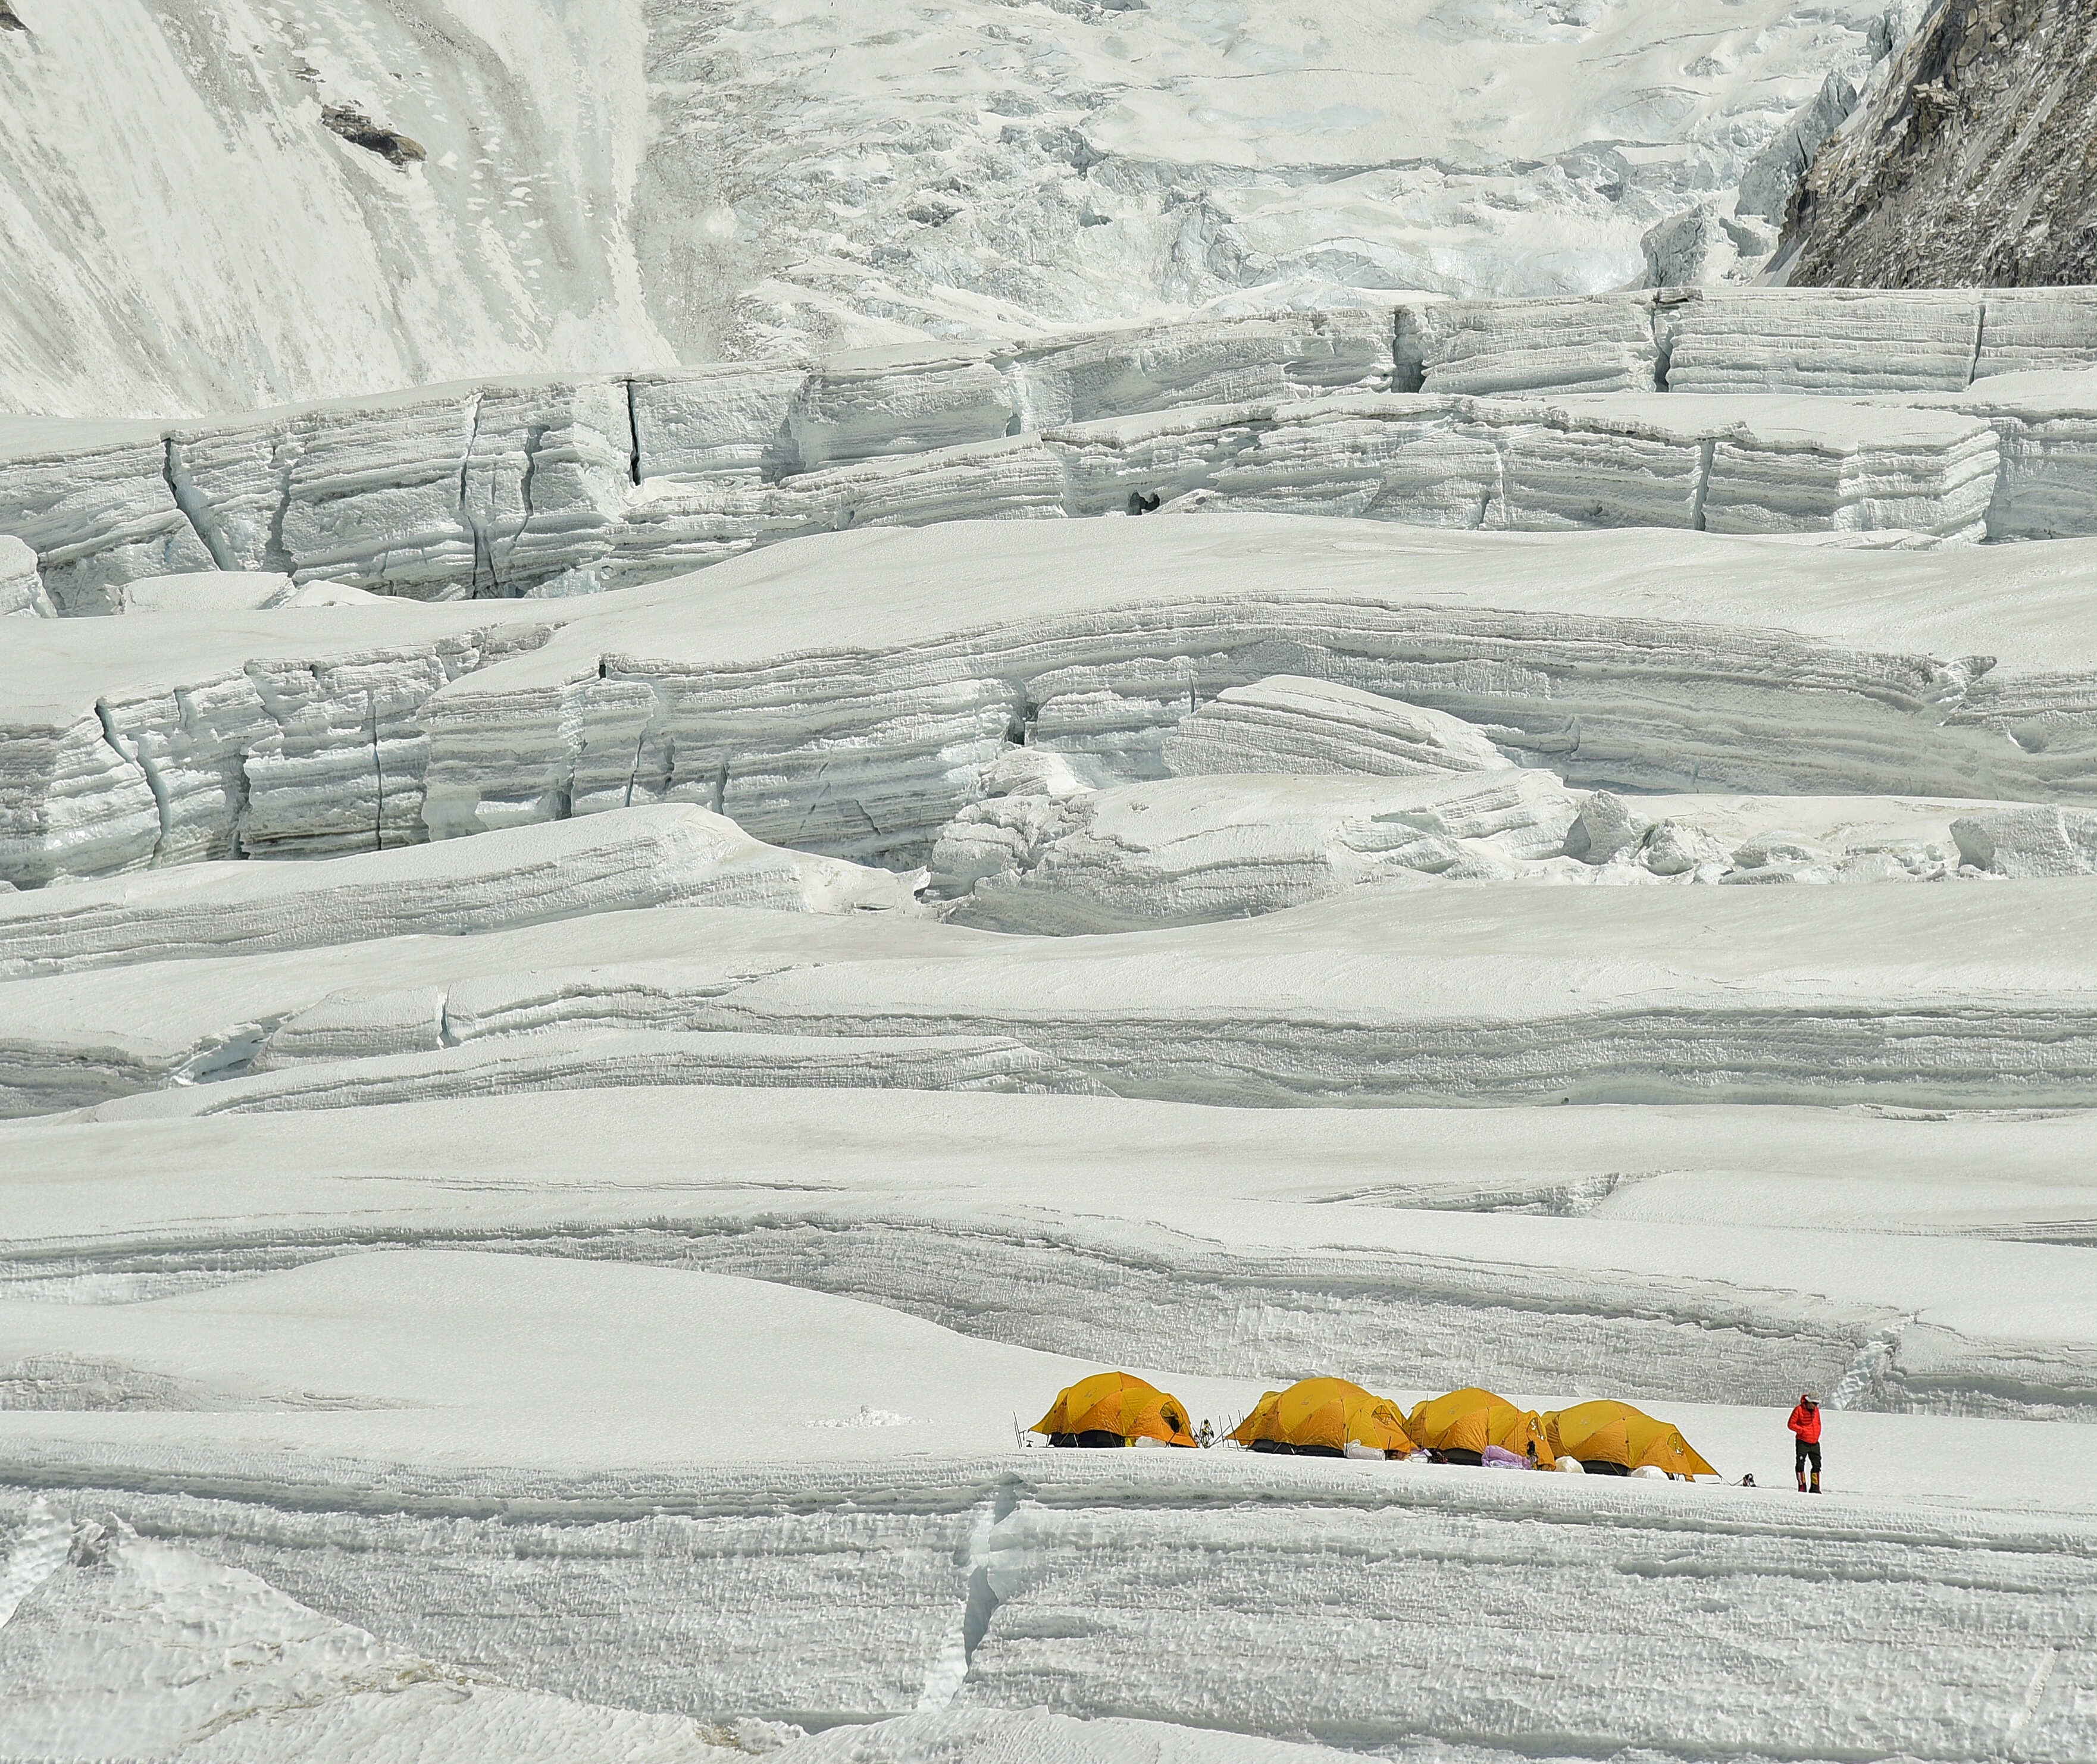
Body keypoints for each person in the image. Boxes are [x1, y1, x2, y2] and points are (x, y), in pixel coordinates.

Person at [1788, 1393, 1822, 1492]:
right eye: (1814, 1403)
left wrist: (1818, 1434)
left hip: (1815, 1442)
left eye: (1817, 1404)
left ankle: (1815, 1488)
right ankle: (1802, 1487)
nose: (1815, 1406)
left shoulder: (1816, 1411)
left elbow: (1819, 1423)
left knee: (1817, 1465)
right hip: (1802, 1442)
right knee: (1800, 1465)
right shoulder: (1799, 1410)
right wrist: (1802, 1431)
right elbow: (1791, 1424)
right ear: (1808, 1401)